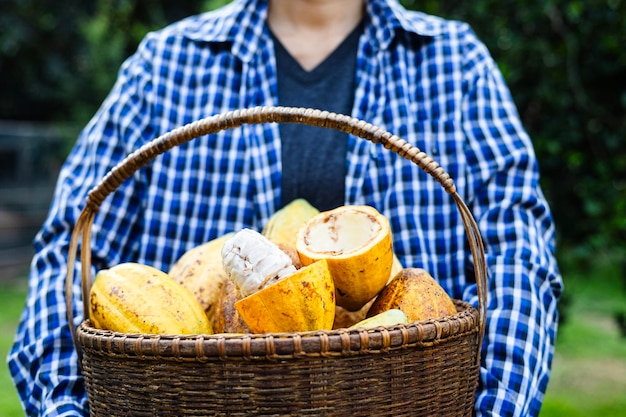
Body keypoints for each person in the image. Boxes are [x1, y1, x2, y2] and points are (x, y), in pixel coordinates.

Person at [7, 0, 563, 415]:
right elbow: (71, 250)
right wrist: (66, 408)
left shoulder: (455, 64)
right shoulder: (164, 64)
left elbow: (519, 251)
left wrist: (495, 408)